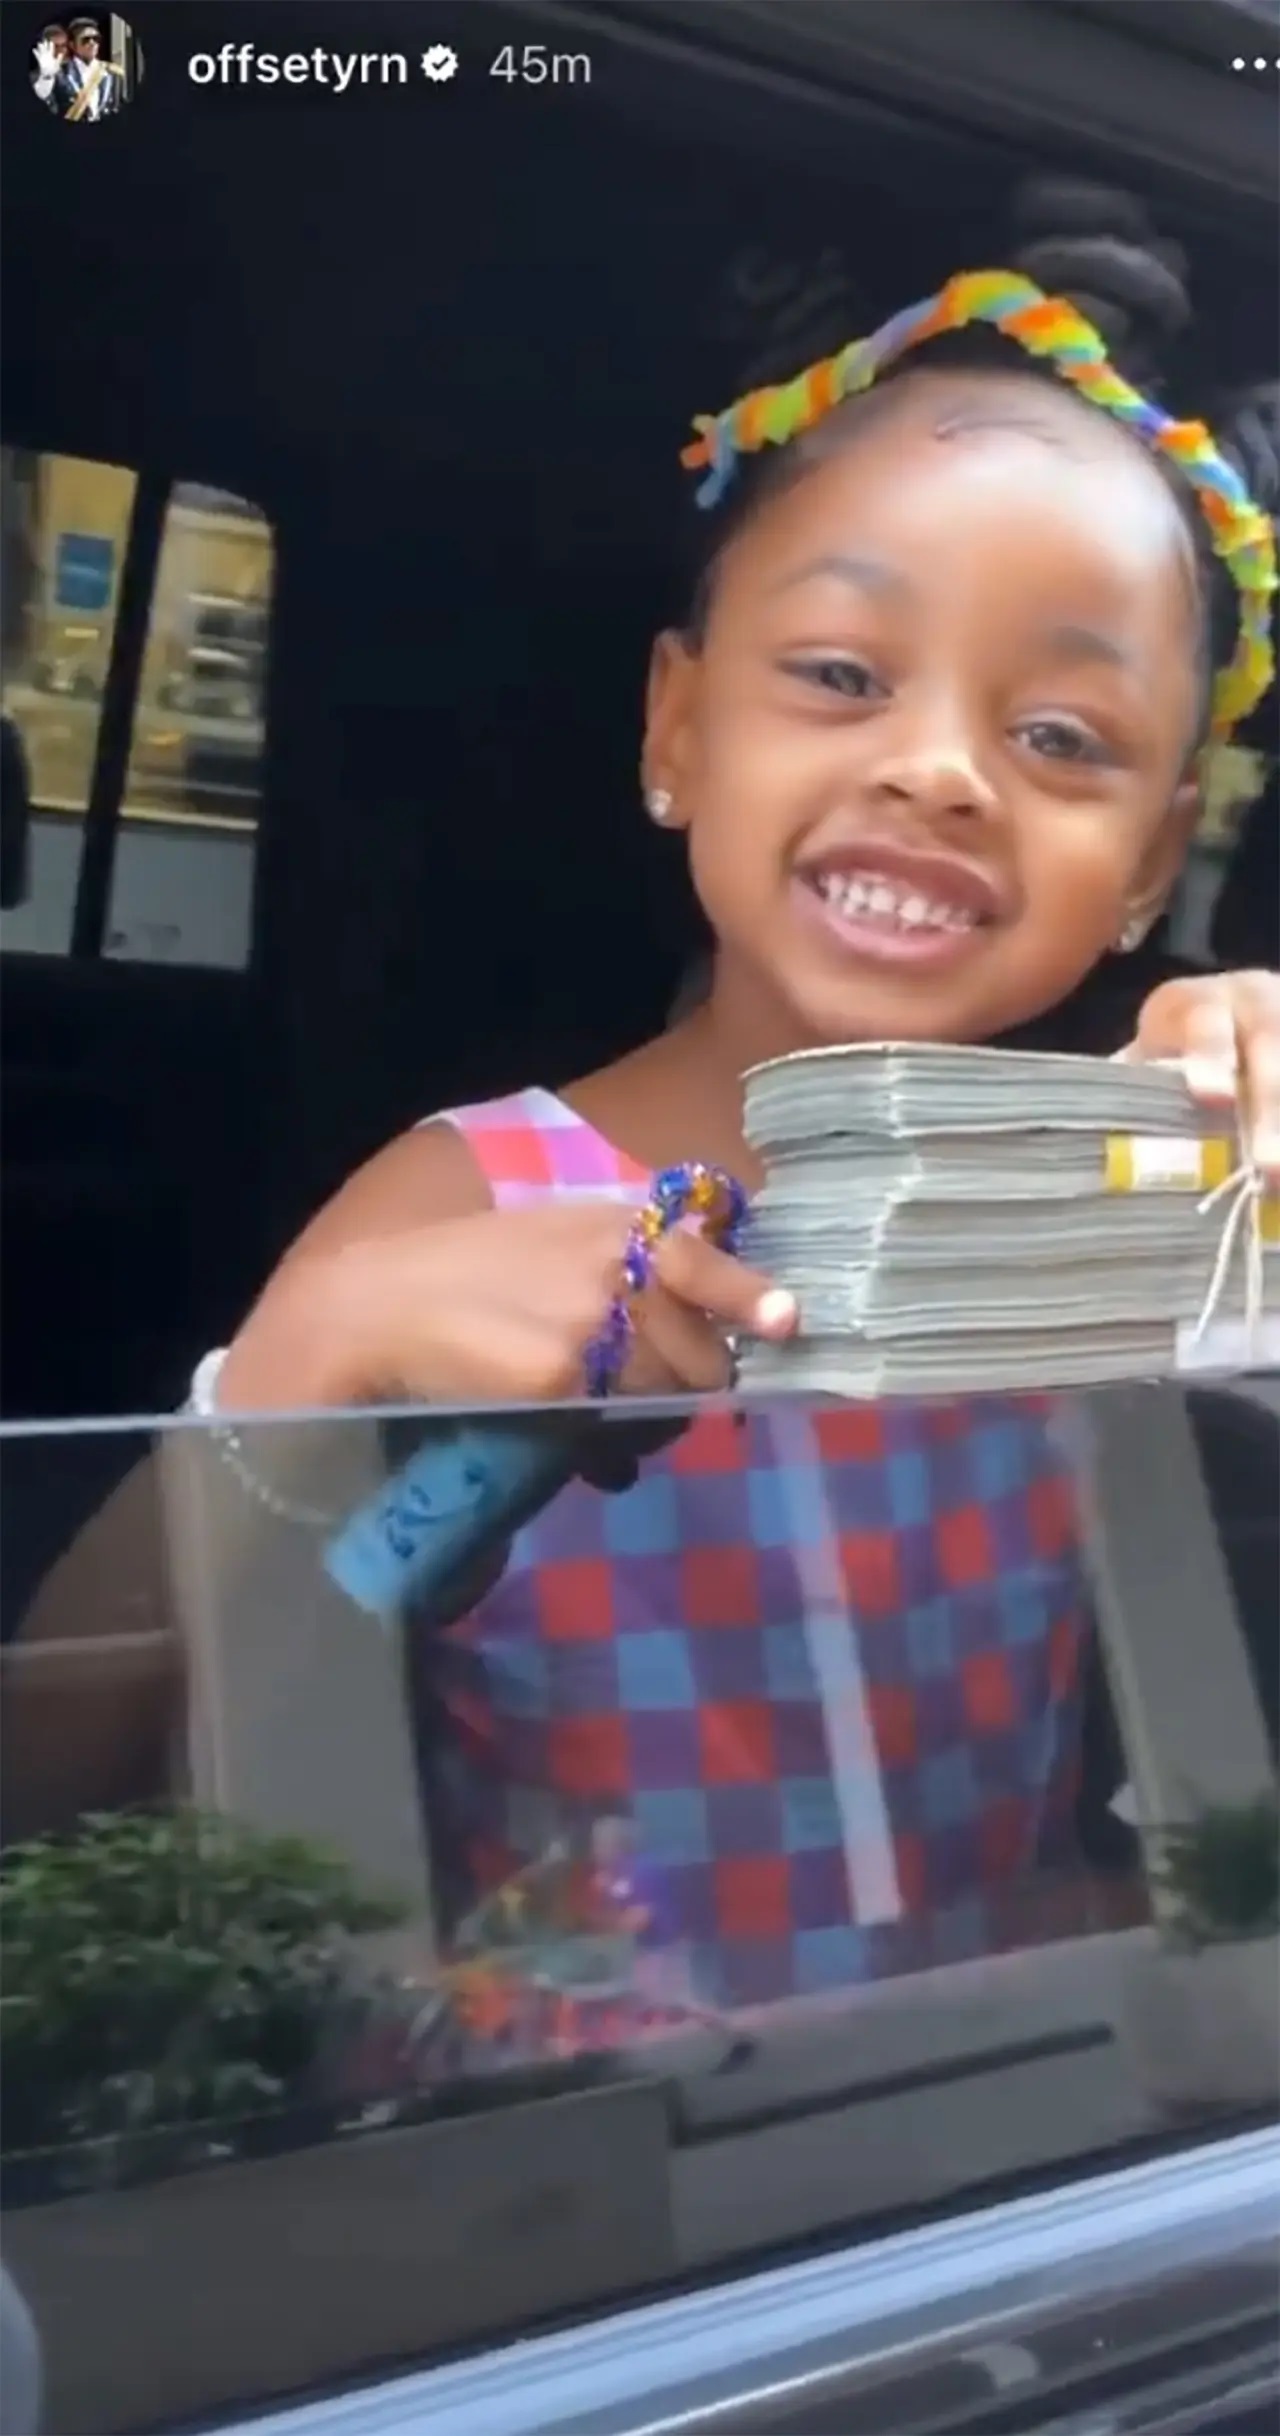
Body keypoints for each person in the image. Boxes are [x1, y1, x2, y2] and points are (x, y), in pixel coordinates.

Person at [49, 187, 1280, 2013]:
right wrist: (314, 1362)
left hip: (1005, 2106)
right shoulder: (468, 1197)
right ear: (679, 728)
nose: (940, 771)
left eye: (1060, 738)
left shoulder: (1109, 1192)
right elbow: (78, 1767)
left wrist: (1234, 1129)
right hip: (581, 2145)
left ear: (1151, 861)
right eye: (842, 675)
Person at [43, 16, 121, 120]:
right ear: (72, 45)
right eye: (86, 40)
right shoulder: (59, 72)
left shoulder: (111, 73)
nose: (92, 43)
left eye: (96, 39)